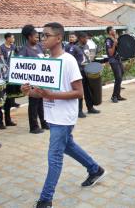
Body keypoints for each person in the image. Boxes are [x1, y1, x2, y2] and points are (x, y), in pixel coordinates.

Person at [20, 23, 105, 208]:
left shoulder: (68, 61)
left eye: (46, 35)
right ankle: (95, 169)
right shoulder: (45, 61)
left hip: (64, 117)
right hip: (52, 114)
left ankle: (45, 200)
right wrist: (28, 91)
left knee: (54, 156)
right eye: (41, 35)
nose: (42, 39)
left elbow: (79, 93)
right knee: (68, 146)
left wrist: (52, 95)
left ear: (58, 38)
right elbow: (41, 93)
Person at [18, 25, 48, 133]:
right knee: (33, 104)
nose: (37, 38)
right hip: (31, 82)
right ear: (29, 37)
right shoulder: (24, 50)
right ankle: (34, 127)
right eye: (35, 37)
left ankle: (44, 123)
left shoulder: (39, 46)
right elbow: (21, 67)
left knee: (41, 102)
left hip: (41, 80)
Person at [76, 32, 100, 116]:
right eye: (85, 38)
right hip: (79, 72)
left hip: (87, 71)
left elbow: (89, 57)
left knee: (88, 91)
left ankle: (90, 108)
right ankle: (79, 111)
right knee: (80, 92)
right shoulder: (76, 47)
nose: (86, 40)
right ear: (80, 38)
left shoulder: (86, 46)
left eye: (87, 38)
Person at [105, 26, 126, 103]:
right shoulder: (108, 40)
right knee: (118, 77)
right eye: (114, 30)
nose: (115, 31)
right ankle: (114, 96)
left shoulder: (114, 39)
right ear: (110, 32)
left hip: (118, 59)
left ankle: (118, 95)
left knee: (121, 74)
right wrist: (114, 44)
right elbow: (110, 53)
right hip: (113, 60)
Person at [0, 32, 21, 108]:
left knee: (12, 85)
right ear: (8, 38)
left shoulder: (13, 46)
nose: (14, 39)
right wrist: (5, 67)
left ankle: (13, 102)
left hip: (13, 68)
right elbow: (1, 58)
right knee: (7, 86)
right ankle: (5, 103)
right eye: (13, 37)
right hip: (5, 69)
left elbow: (18, 54)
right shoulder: (1, 47)